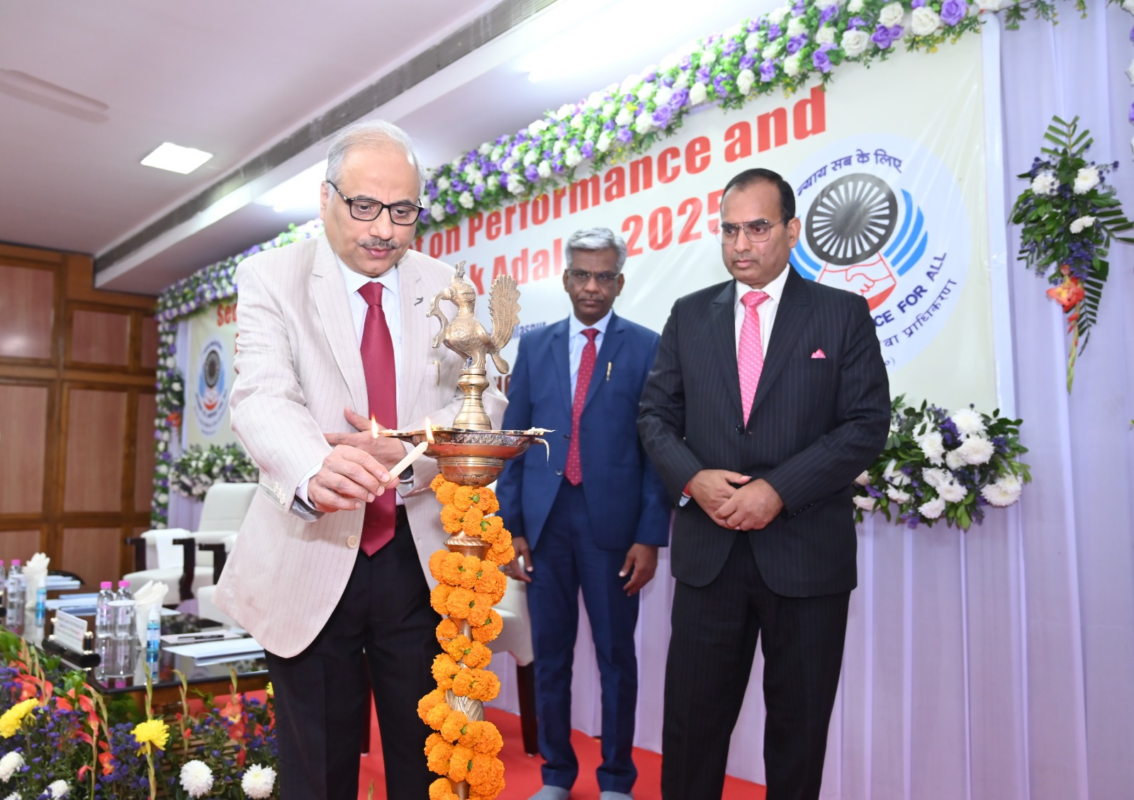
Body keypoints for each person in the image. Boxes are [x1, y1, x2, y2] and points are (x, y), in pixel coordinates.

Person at [214, 119, 506, 800]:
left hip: (419, 558)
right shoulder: (270, 278)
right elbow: (261, 395)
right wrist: (315, 467)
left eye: (402, 211)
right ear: (325, 199)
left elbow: (485, 400)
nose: (384, 229)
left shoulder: (447, 284)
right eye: (364, 206)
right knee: (316, 774)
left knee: (428, 764)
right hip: (309, 550)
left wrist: (410, 449)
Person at [638, 168, 890, 800]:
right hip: (709, 558)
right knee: (692, 730)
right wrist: (693, 479)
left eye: (757, 228)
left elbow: (865, 425)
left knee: (798, 734)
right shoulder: (690, 315)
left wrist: (777, 490)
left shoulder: (842, 314)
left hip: (806, 557)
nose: (740, 245)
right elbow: (654, 415)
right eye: (729, 230)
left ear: (792, 230)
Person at [496, 228, 670, 800]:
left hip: (613, 532)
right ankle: (556, 776)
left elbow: (656, 450)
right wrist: (513, 527)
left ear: (619, 282)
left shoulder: (647, 347)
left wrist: (650, 535)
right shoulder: (537, 345)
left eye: (603, 276)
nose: (592, 286)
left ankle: (617, 779)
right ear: (566, 278)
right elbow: (516, 442)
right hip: (545, 526)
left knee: (617, 657)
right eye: (581, 274)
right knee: (551, 656)